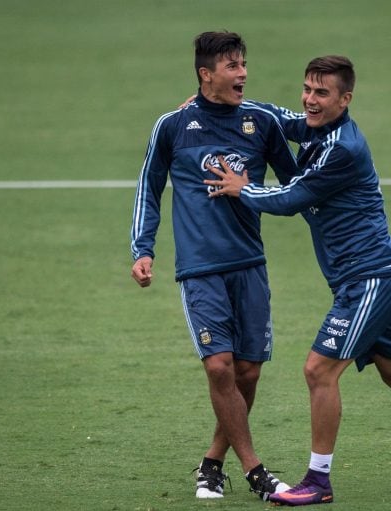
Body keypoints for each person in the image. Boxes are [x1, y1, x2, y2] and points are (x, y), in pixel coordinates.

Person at [203, 55, 391, 506]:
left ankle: (318, 481)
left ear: (345, 99)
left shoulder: (342, 149)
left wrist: (242, 188)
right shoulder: (316, 125)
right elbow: (276, 118)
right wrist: (214, 102)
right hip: (369, 277)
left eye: (322, 93)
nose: (310, 100)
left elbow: (291, 198)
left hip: (368, 279)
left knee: (319, 370)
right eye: (307, 89)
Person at [129, 31, 298, 501]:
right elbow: (149, 186)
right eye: (232, 66)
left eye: (243, 64)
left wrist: (249, 189)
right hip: (200, 269)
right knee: (220, 367)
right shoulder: (173, 126)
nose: (242, 73)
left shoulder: (260, 121)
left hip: (251, 264)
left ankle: (211, 463)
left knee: (247, 373)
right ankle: (256, 472)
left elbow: (296, 187)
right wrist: (143, 249)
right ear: (207, 75)